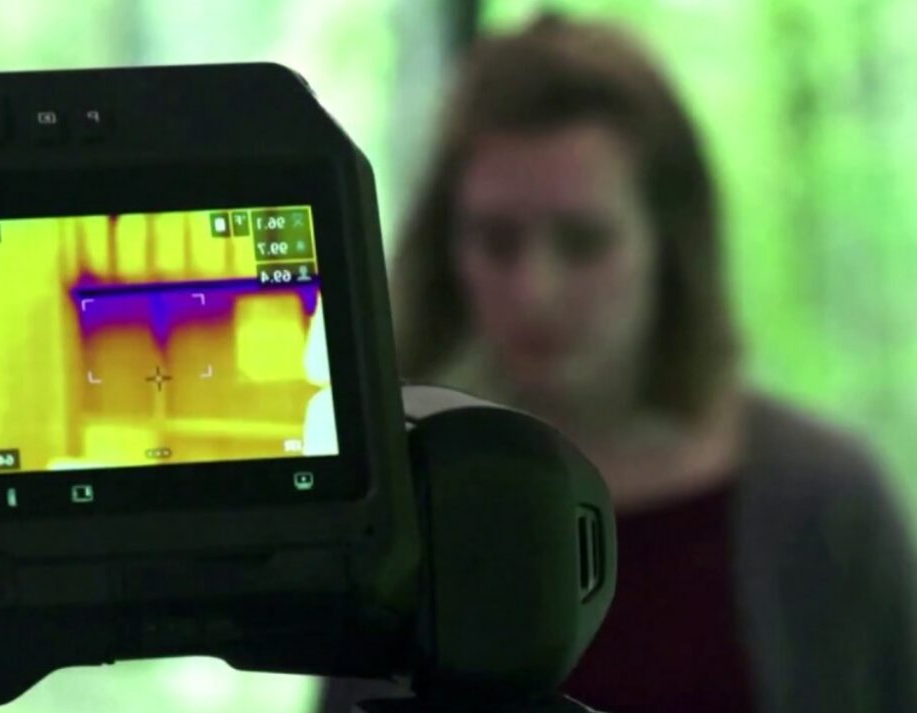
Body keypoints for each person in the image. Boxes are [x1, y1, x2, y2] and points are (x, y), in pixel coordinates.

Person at [320, 14, 917, 713]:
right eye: (497, 240)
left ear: (668, 247)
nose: (534, 290)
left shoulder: (824, 502)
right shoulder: (401, 507)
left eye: (583, 242)